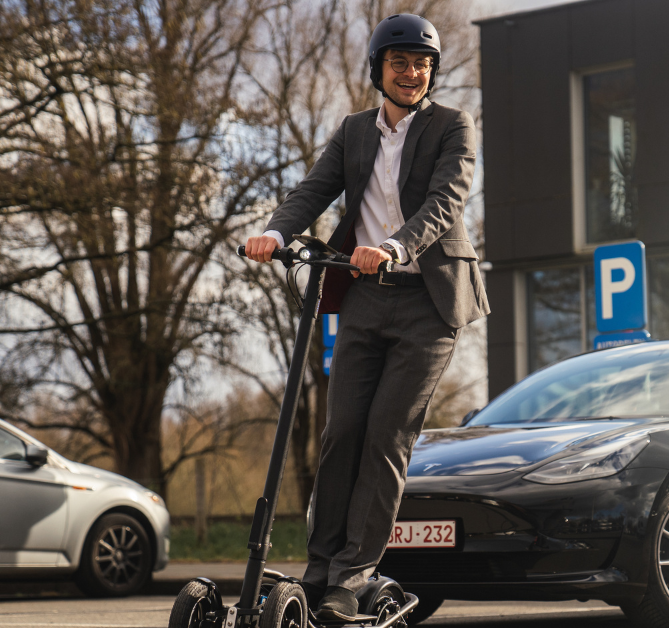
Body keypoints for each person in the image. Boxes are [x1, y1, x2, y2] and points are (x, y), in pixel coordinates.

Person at [243, 13, 488, 622]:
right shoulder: (355, 131)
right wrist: (275, 231)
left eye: (423, 64)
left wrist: (396, 246)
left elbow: (445, 200)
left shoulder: (453, 125)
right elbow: (316, 188)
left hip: (428, 301)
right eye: (400, 63)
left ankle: (354, 572)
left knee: (386, 435)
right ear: (378, 70)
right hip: (363, 297)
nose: (413, 73)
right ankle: (320, 567)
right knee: (341, 432)